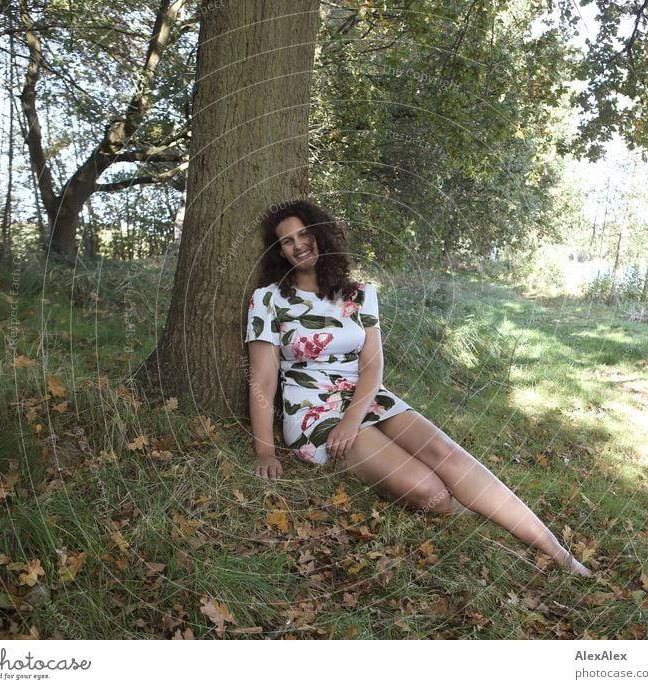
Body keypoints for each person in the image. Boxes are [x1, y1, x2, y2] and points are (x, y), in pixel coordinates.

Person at [244, 199, 592, 577]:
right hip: (314, 413)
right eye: (286, 241)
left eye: (304, 234)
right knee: (429, 491)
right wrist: (265, 451)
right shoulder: (268, 300)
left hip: (366, 396)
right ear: (279, 252)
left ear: (320, 234)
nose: (298, 245)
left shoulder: (358, 294)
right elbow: (262, 379)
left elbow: (372, 365)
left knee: (445, 452)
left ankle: (559, 554)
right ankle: (478, 512)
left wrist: (355, 417)